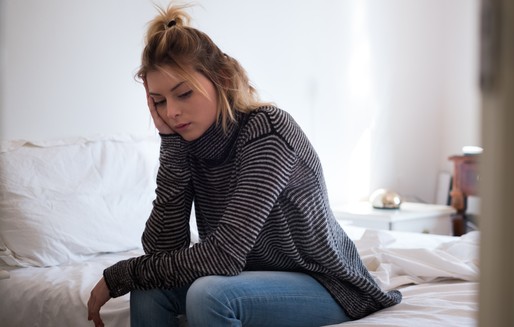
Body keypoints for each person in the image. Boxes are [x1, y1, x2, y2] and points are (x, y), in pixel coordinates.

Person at [87, 4, 402, 327]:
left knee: (208, 294)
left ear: (220, 79)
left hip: (327, 285)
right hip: (247, 278)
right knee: (148, 290)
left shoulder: (268, 130)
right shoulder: (187, 146)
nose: (172, 113)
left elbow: (224, 256)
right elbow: (162, 252)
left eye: (183, 94)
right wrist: (171, 147)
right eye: (160, 101)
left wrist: (120, 275)